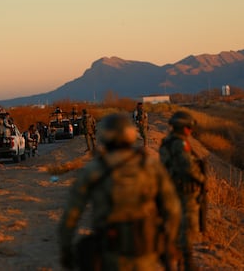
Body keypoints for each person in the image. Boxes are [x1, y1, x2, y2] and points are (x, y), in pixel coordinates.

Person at [58, 113, 181, 271]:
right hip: (146, 251)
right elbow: (173, 209)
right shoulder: (150, 166)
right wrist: (168, 242)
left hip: (110, 253)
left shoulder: (94, 169)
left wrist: (66, 251)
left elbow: (70, 216)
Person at [159, 111, 208, 271]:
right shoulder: (179, 143)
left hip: (172, 188)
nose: (190, 130)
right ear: (184, 128)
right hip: (183, 191)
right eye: (188, 127)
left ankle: (178, 259)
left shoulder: (167, 141)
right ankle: (187, 262)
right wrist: (202, 179)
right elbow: (187, 166)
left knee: (176, 225)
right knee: (187, 226)